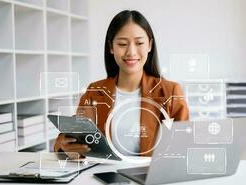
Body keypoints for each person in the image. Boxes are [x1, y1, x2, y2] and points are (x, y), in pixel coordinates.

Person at [54, 10, 189, 158]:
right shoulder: (95, 91)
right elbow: (73, 138)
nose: (131, 52)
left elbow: (183, 147)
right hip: (102, 177)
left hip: (150, 177)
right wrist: (66, 147)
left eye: (139, 43)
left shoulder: (171, 92)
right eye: (122, 44)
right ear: (111, 47)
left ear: (149, 45)